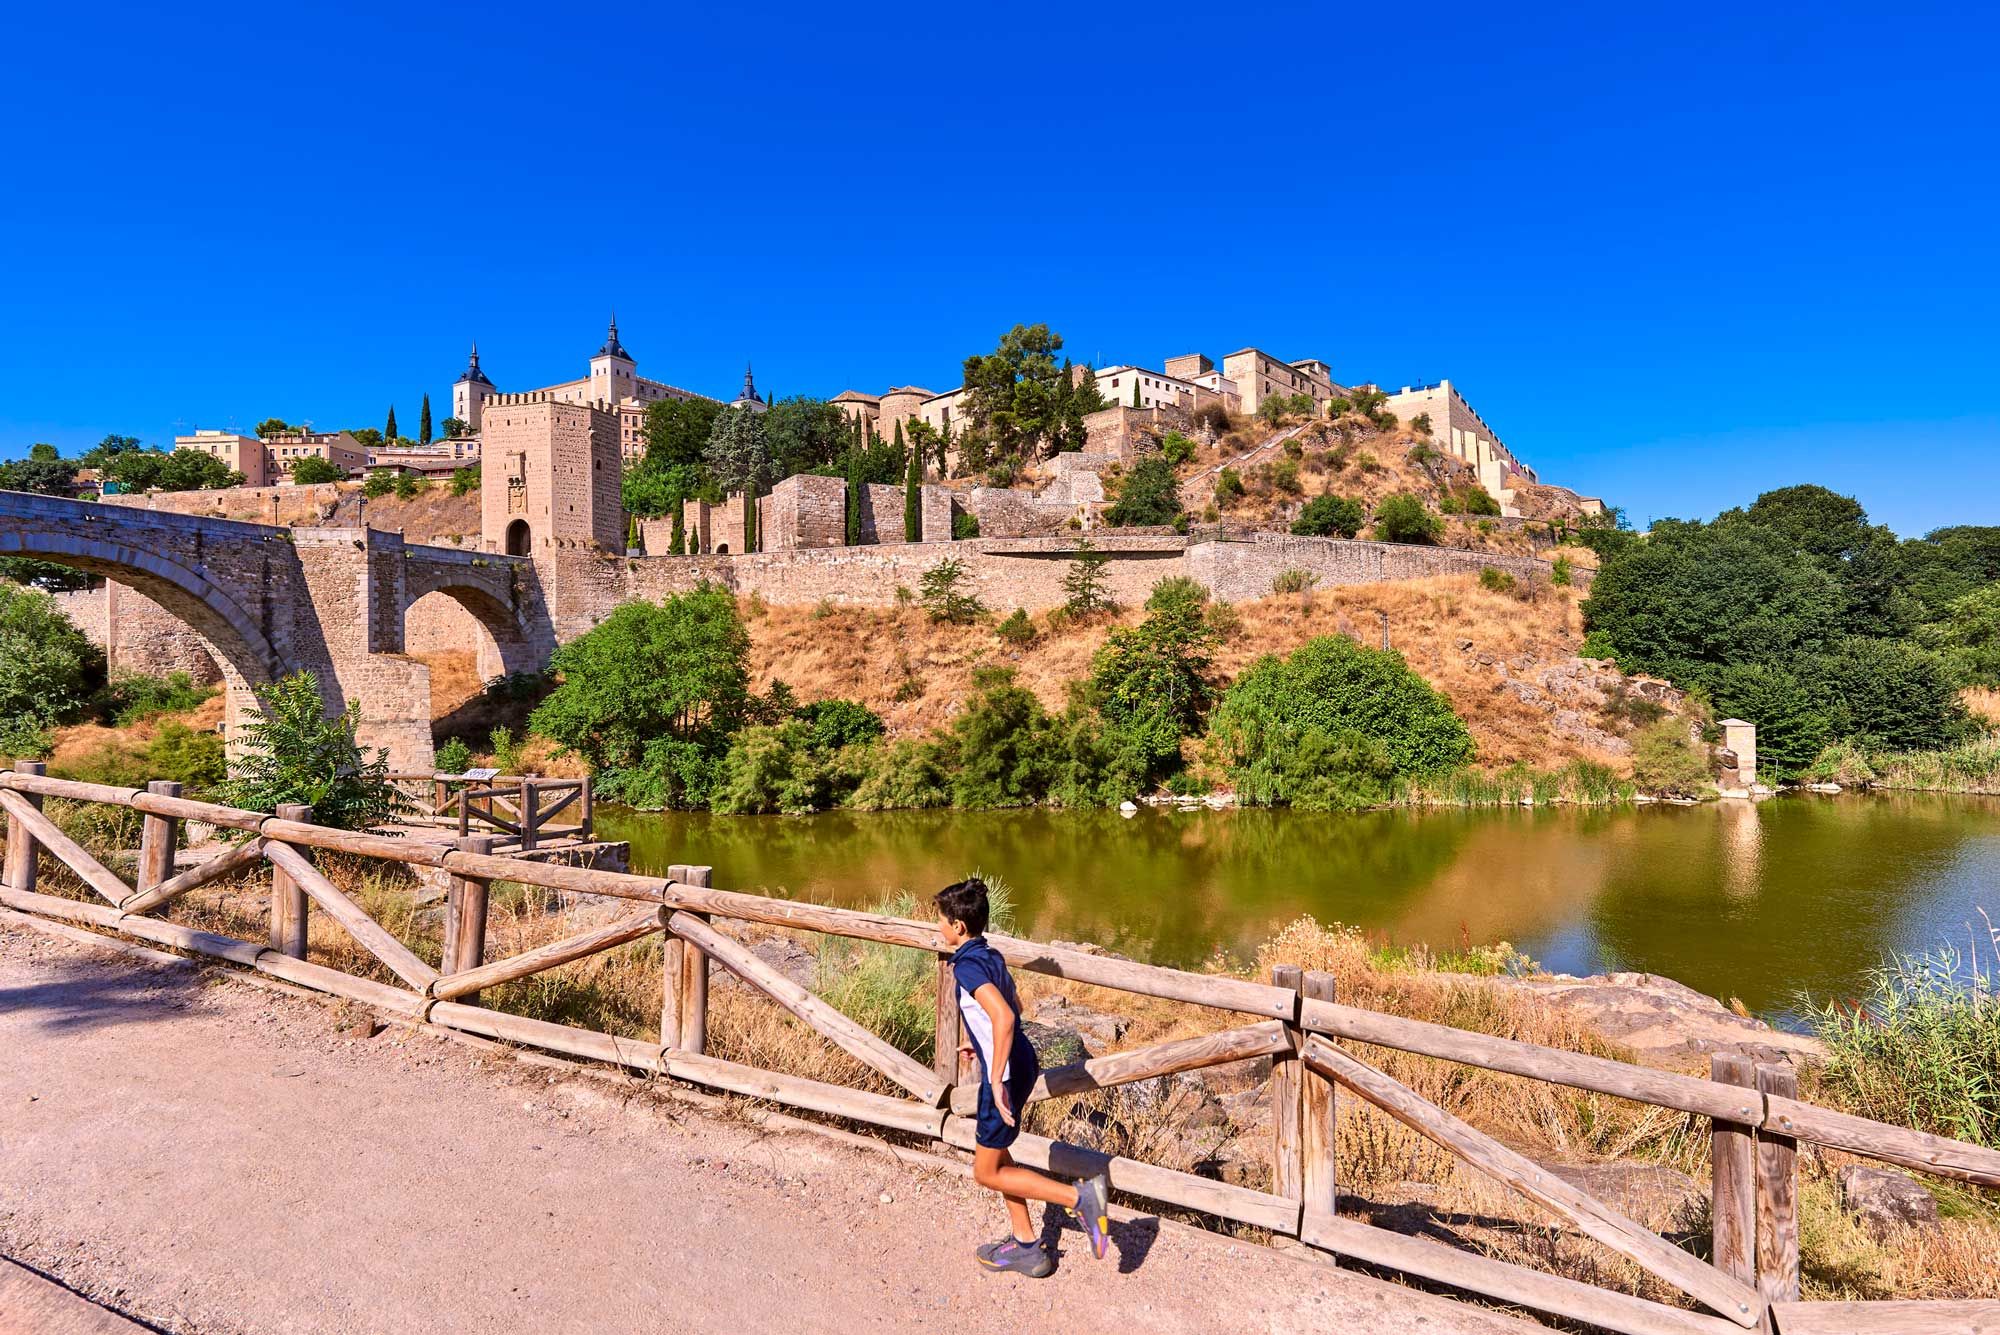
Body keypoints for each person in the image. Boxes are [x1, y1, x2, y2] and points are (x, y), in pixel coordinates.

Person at [935, 877, 1111, 1277]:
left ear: (958, 926)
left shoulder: (966, 965)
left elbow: (1004, 1016)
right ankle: (1027, 1244)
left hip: (1008, 1075)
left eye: (941, 920)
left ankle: (1081, 1199)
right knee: (998, 1154)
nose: (938, 927)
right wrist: (978, 1042)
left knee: (985, 1172)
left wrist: (996, 1078)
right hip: (1022, 1060)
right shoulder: (989, 953)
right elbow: (1013, 1003)